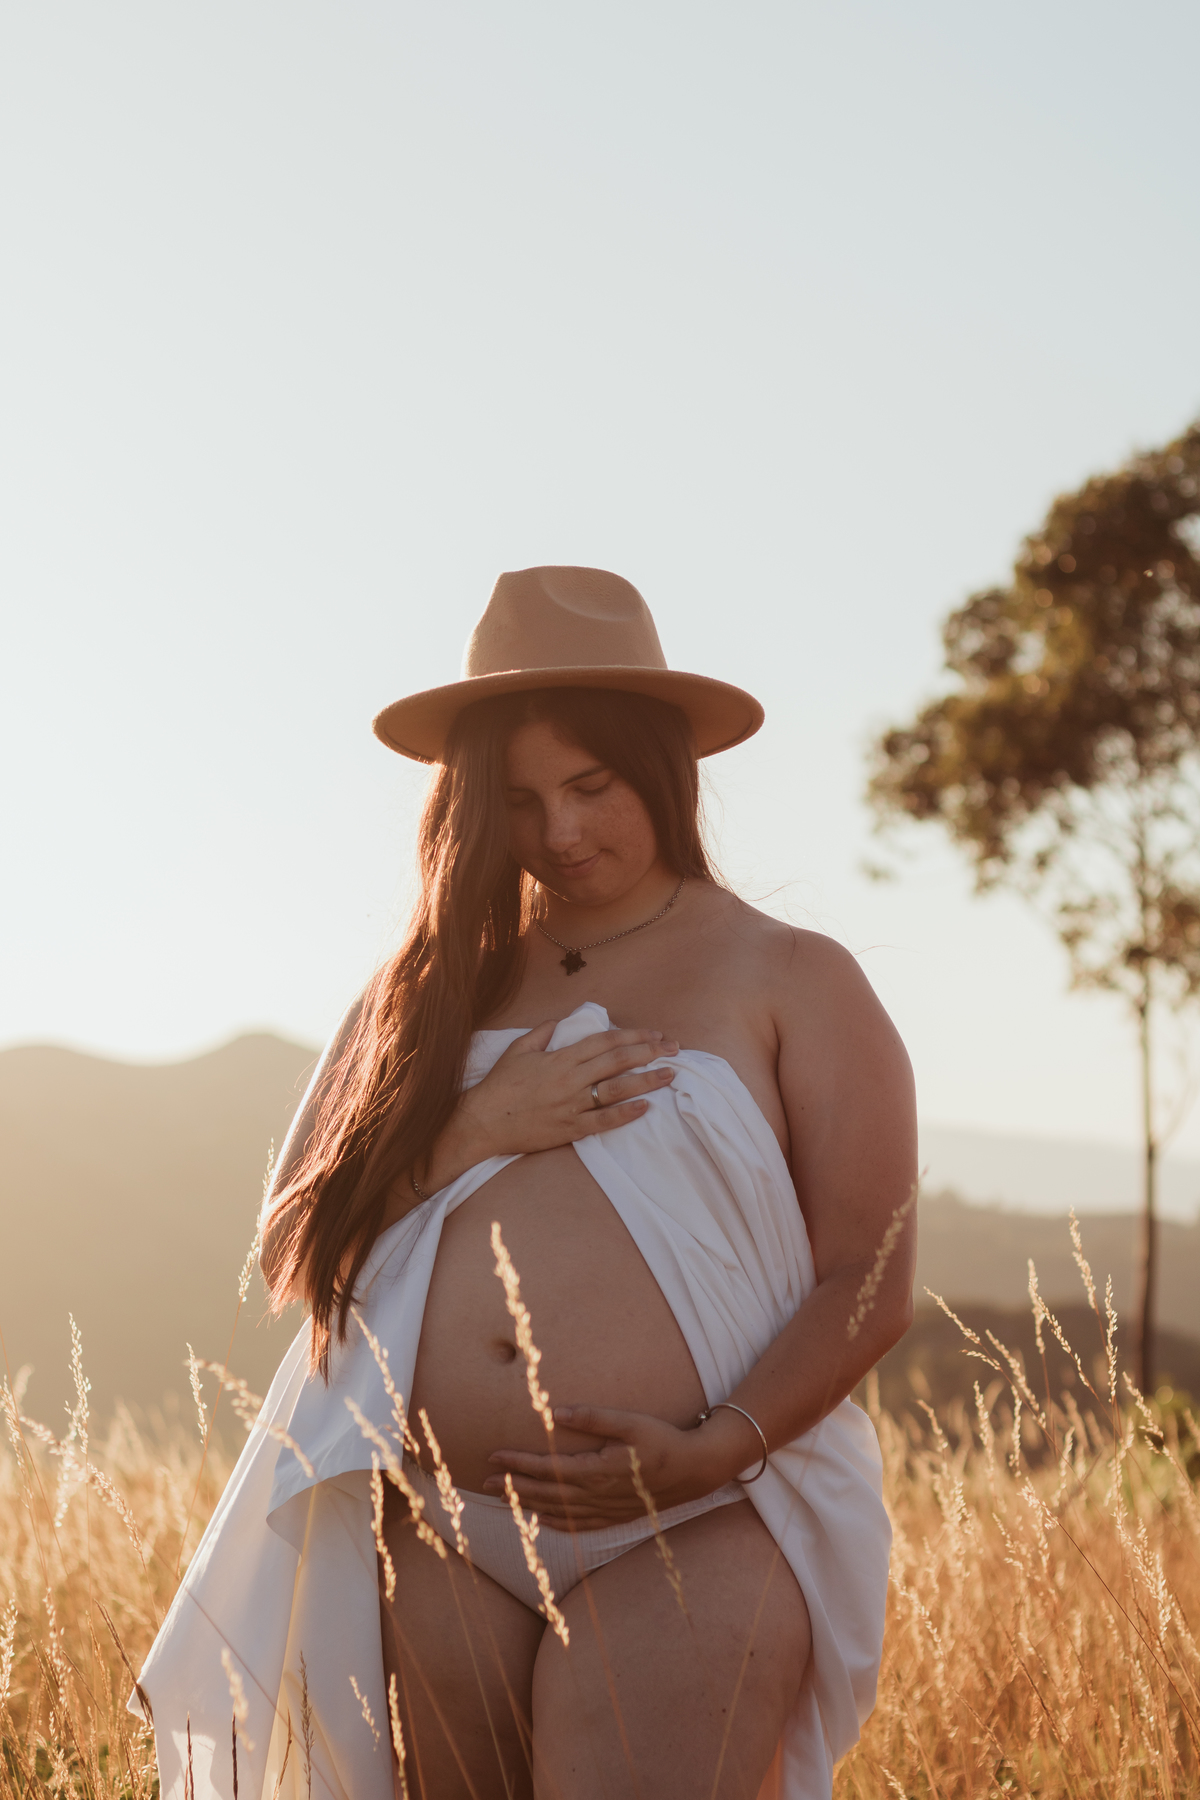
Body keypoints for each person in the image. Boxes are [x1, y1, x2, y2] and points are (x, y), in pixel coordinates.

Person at [132, 566, 916, 1800]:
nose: (559, 831)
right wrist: (474, 1129)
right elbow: (293, 1250)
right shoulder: (426, 992)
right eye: (517, 799)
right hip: (441, 1524)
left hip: (695, 1521)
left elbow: (867, 1280)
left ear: (662, 768)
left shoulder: (792, 977)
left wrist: (715, 1453)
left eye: (591, 786)